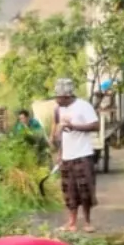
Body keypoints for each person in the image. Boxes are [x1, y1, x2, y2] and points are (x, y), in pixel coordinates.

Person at [49, 75, 100, 232]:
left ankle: (87, 222)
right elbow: (62, 133)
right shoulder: (58, 109)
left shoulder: (83, 106)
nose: (56, 99)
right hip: (67, 156)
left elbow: (96, 126)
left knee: (85, 190)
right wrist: (60, 152)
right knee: (68, 190)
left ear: (67, 95)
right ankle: (71, 222)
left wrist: (75, 127)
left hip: (83, 154)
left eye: (58, 96)